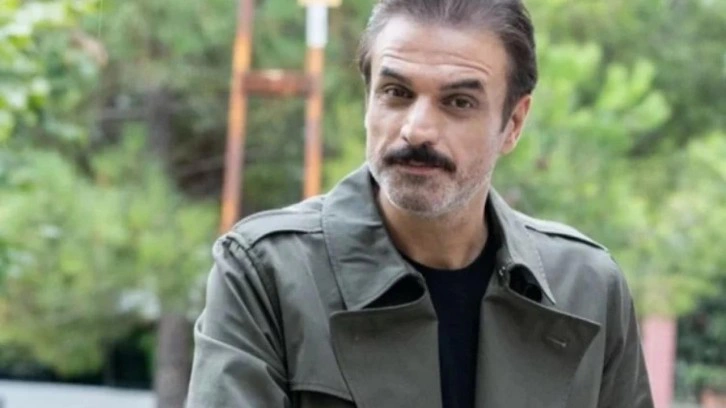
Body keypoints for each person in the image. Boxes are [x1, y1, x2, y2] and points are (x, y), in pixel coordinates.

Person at [186, 0, 654, 407]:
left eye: (458, 102)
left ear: (513, 123)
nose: (416, 130)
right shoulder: (267, 273)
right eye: (397, 93)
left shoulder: (586, 288)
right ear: (368, 101)